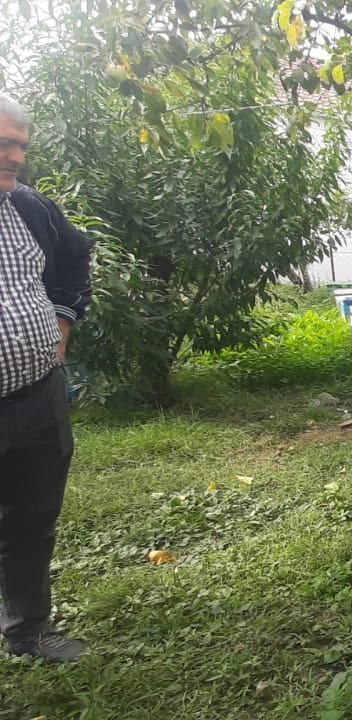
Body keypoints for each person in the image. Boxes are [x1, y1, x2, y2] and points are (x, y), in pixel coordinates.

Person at [0, 93, 93, 662]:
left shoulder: (31, 209)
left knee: (32, 518)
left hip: (38, 395)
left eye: (19, 147)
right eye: (2, 145)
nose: (13, 158)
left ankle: (29, 630)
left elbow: (74, 260)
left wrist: (62, 320)